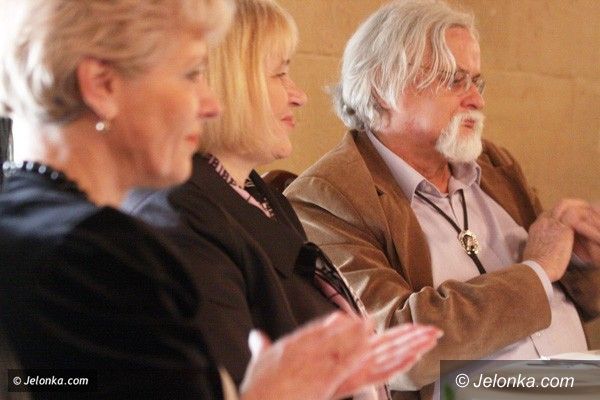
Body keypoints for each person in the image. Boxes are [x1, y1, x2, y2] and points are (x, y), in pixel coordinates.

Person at [0, 1, 436, 399]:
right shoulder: (96, 255)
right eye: (191, 74)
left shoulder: (34, 216)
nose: (210, 104)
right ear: (102, 85)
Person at [285, 0, 600, 399]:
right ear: (383, 88)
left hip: (578, 381)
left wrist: (580, 262)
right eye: (455, 81)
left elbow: (571, 300)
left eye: (477, 83)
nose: (477, 101)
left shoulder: (494, 164)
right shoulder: (327, 198)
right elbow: (395, 348)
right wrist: (537, 270)